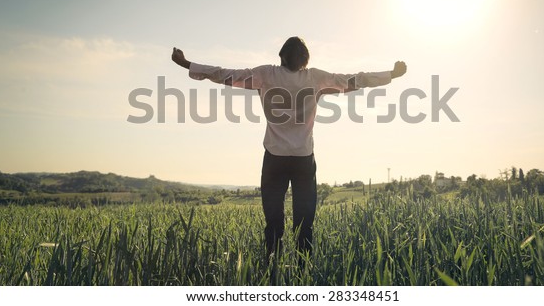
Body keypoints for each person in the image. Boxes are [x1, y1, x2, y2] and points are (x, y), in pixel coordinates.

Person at [171, 36, 407, 261]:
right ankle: (303, 269)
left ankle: (273, 267)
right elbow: (355, 80)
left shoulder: (265, 75)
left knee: (274, 222)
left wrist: (187, 65)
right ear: (306, 60)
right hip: (303, 159)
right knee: (305, 223)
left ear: (282, 56)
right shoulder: (315, 78)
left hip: (275, 159)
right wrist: (390, 75)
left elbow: (224, 75)